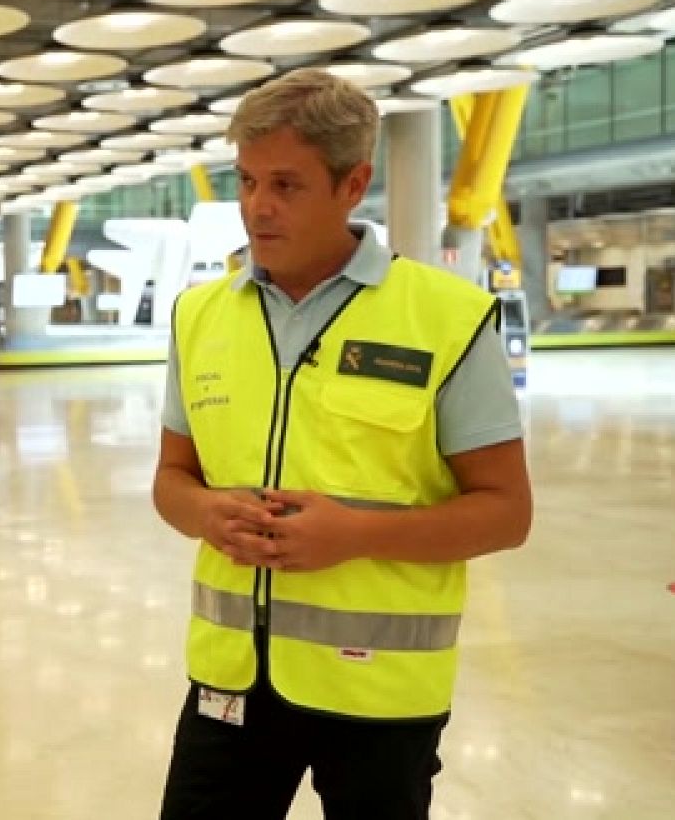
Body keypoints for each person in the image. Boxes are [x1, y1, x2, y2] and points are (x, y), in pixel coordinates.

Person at [154, 69, 534, 820]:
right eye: (248, 180)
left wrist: (356, 535)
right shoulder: (199, 315)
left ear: (352, 183)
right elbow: (172, 478)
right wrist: (205, 514)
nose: (258, 207)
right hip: (230, 680)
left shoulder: (447, 318)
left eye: (287, 185)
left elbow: (506, 512)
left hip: (379, 693)